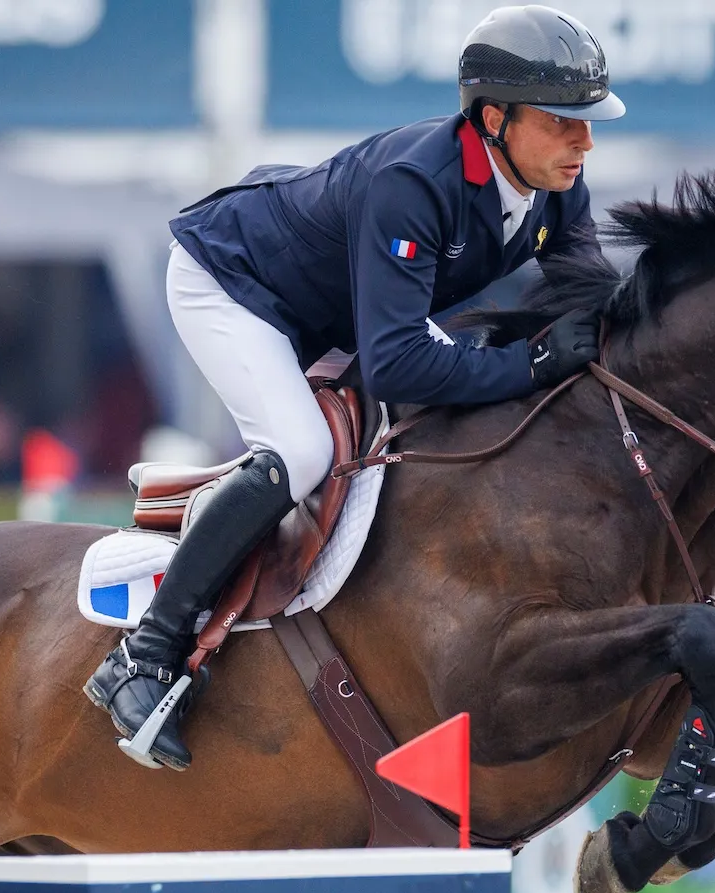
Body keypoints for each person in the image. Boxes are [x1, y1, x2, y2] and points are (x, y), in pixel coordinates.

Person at [85, 5, 626, 770]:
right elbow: (400, 361)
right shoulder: (415, 182)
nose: (586, 141)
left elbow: (599, 308)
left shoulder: (559, 186)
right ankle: (145, 653)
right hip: (234, 282)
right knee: (302, 450)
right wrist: (531, 365)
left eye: (589, 121)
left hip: (340, 306)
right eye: (565, 121)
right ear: (495, 118)